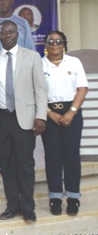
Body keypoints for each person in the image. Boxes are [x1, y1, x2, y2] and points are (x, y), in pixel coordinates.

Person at [0, 20, 47, 223]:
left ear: (18, 34)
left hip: (26, 119)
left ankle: (28, 208)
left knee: (25, 164)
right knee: (6, 164)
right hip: (1, 119)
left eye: (12, 31)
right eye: (4, 32)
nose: (8, 35)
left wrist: (41, 116)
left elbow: (40, 89)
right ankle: (12, 206)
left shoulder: (32, 57)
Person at [41, 31, 88, 216]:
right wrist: (48, 112)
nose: (54, 44)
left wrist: (71, 112)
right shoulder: (39, 64)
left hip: (72, 111)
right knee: (52, 156)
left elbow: (82, 89)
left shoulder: (74, 62)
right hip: (48, 112)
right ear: (45, 44)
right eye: (50, 41)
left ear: (64, 44)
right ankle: (54, 197)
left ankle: (73, 198)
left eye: (58, 41)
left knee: (71, 156)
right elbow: (35, 91)